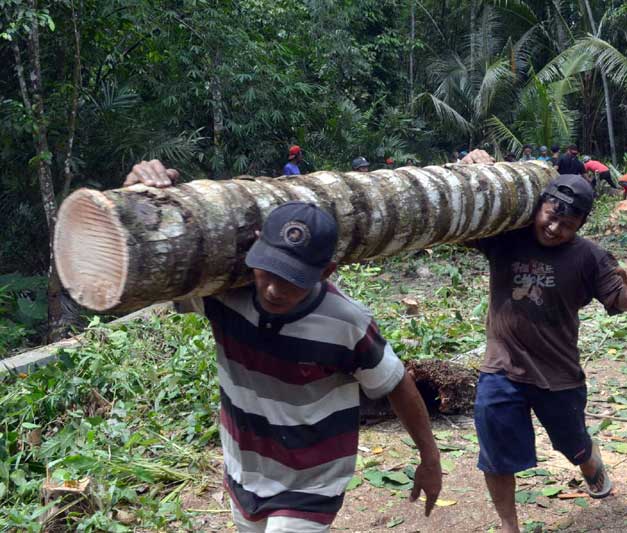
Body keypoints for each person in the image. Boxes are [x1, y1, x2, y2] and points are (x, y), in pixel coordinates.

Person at [121, 161, 443, 532]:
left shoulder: (346, 322)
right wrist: (135, 199)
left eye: (293, 278)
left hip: (312, 484)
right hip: (244, 475)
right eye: (269, 269)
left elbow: (396, 383)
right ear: (257, 243)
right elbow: (144, 271)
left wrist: (430, 458)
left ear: (326, 272)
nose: (274, 289)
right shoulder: (223, 296)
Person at [468, 173, 627, 533]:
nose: (553, 229)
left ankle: (589, 460)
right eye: (550, 216)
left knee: (572, 443)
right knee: (496, 456)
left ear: (580, 225)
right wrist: (477, 169)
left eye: (567, 225)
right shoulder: (505, 238)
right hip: (500, 367)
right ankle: (509, 526)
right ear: (539, 206)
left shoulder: (588, 257)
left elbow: (621, 300)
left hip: (558, 373)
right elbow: (464, 216)